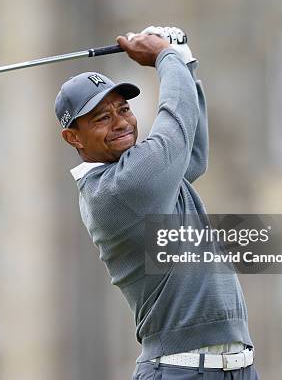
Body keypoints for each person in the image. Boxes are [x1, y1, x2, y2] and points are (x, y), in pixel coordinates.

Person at [55, 26, 259, 379]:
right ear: (73, 137)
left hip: (238, 369)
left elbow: (191, 152)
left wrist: (185, 63)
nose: (121, 123)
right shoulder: (118, 189)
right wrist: (166, 57)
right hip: (179, 372)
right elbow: (175, 130)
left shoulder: (147, 177)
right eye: (102, 118)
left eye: (123, 109)